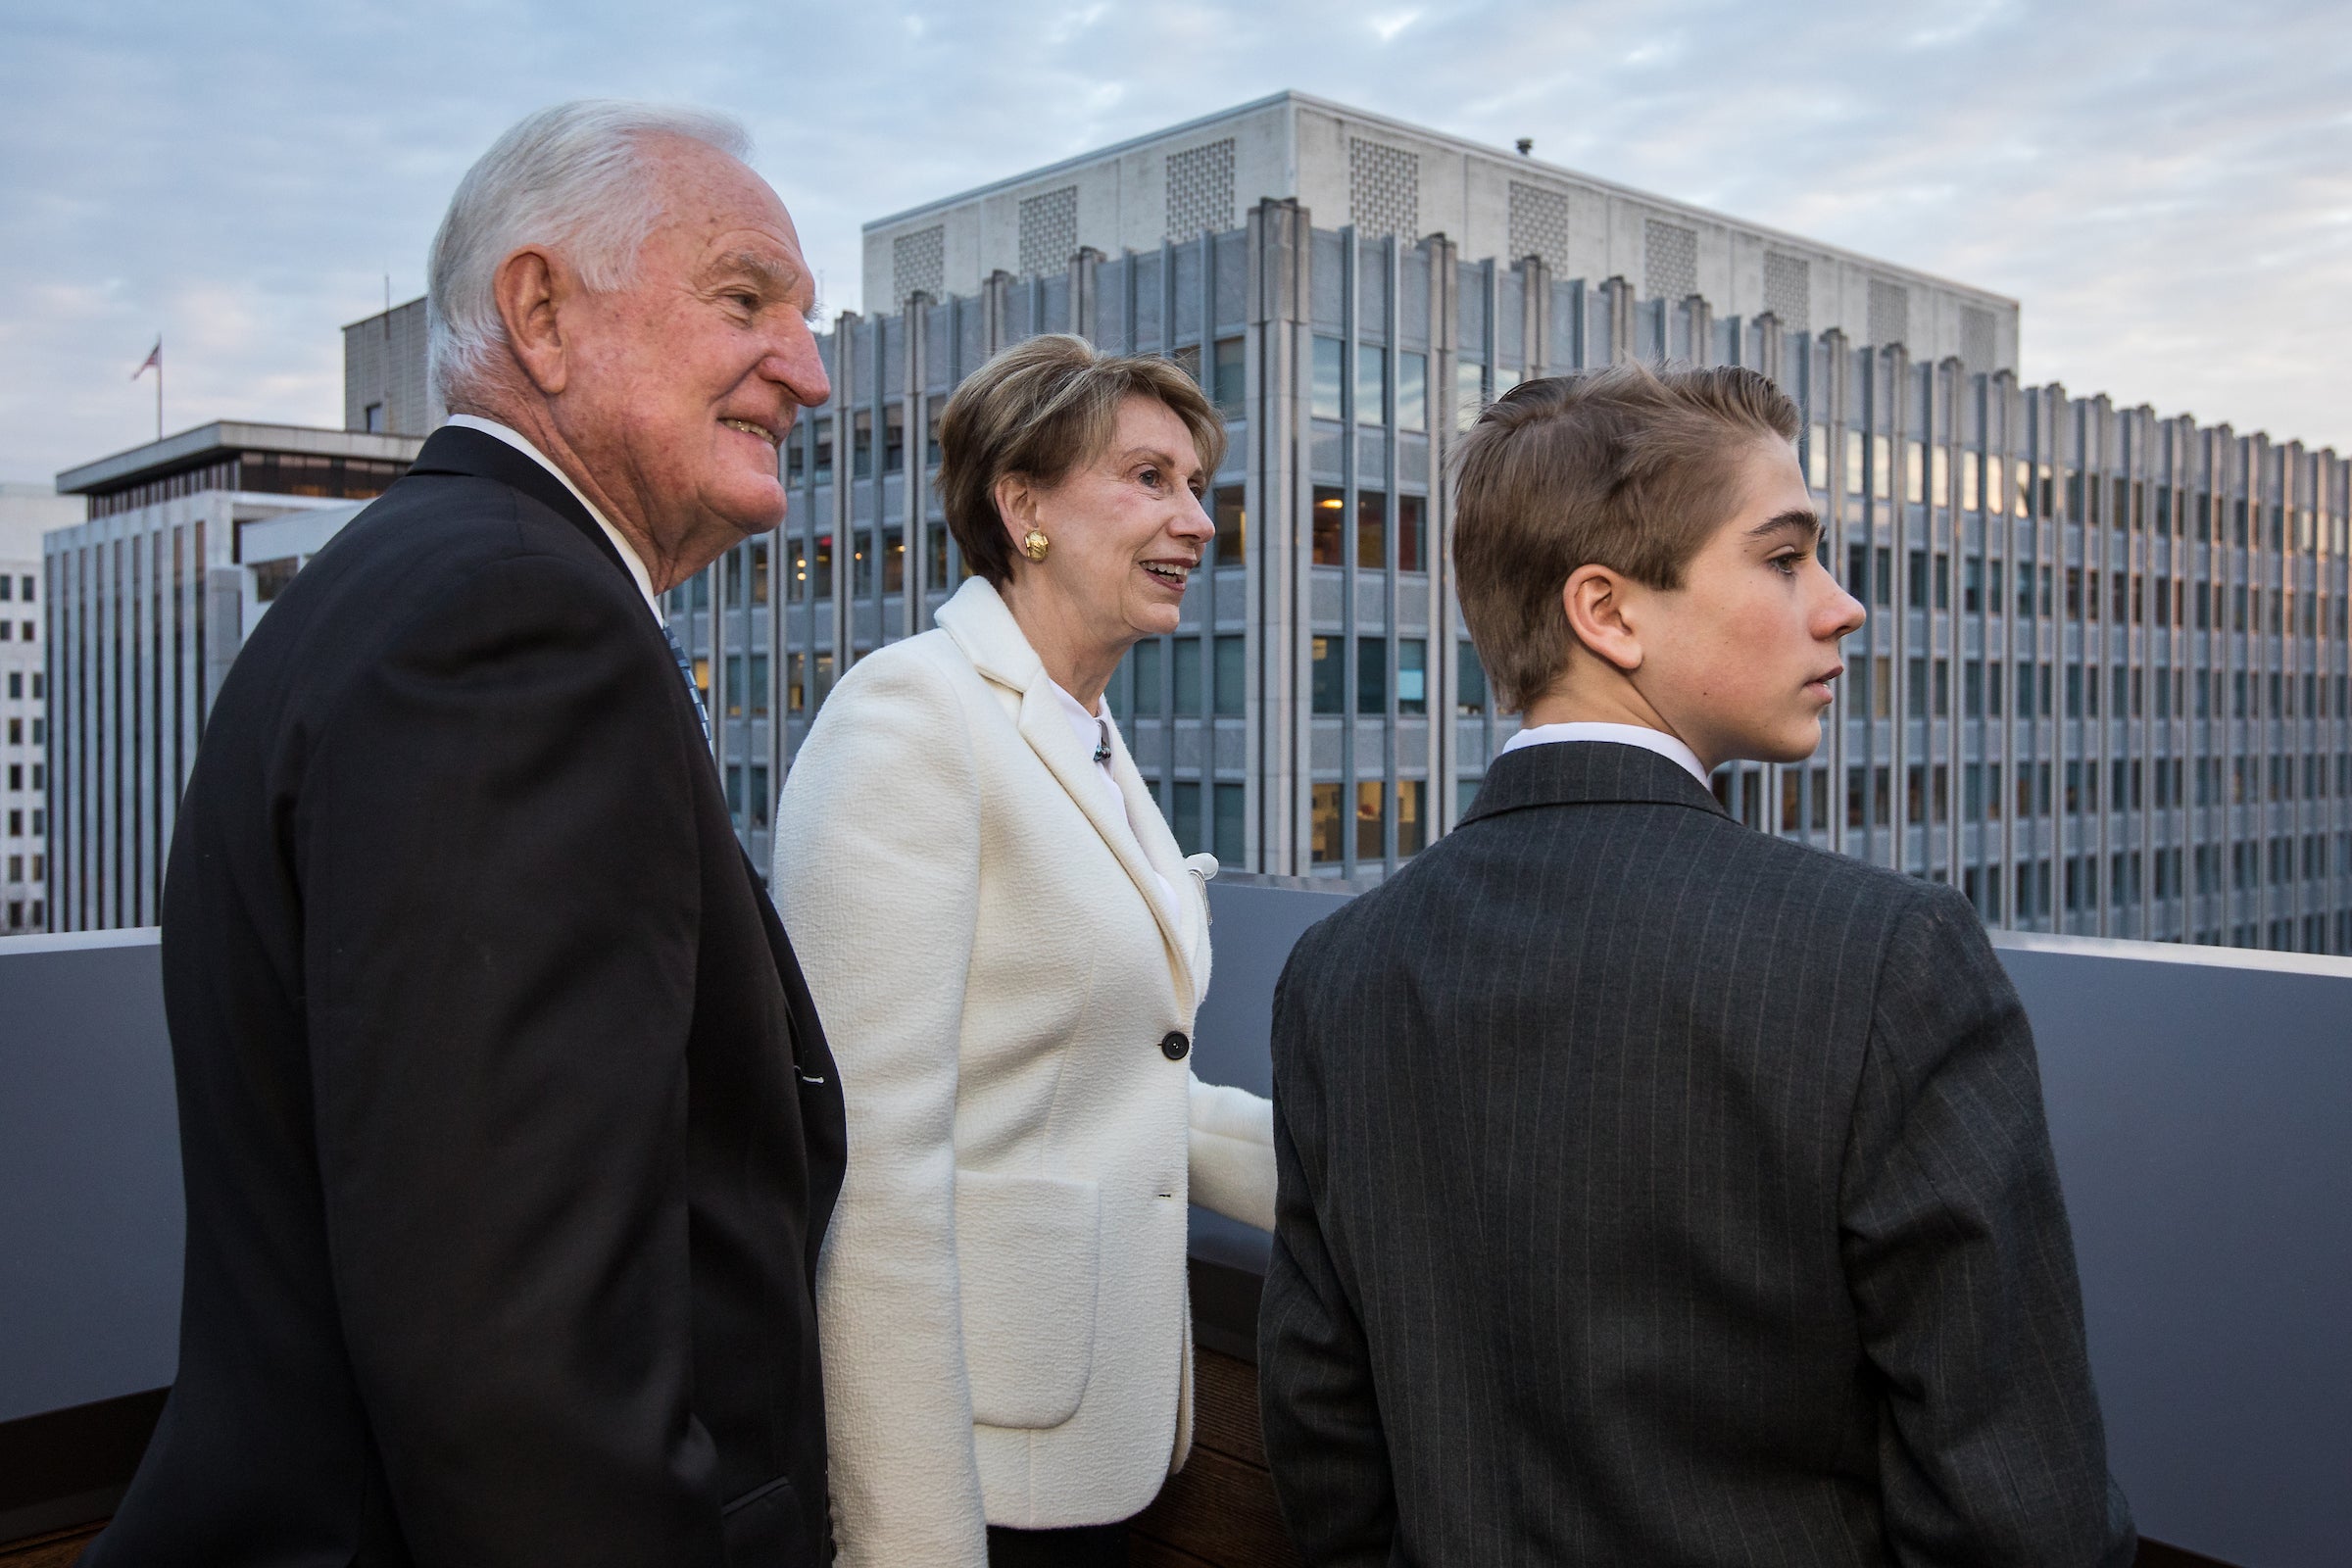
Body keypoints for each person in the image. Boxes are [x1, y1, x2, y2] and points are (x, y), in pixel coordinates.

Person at [84, 102, 846, 1567]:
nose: (807, 372)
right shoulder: (515, 622)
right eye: (747, 300)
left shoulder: (414, 584)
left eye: (809, 321)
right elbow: (518, 1371)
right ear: (542, 313)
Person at [1257, 363, 2136, 1566]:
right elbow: (2020, 1509)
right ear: (1608, 611)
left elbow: (1326, 1445)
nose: (1843, 606)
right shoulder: (1884, 958)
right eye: (1784, 558)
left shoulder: (1337, 972)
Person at [771, 333, 1277, 1568]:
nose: (1197, 521)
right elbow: (869, 1162)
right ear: (1023, 505)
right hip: (979, 1470)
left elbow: (1126, 1072)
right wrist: (908, 1539)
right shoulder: (913, 715)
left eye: (1197, 485)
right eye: (1150, 478)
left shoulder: (1087, 735)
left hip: (1114, 1435)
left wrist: (1372, 1172)